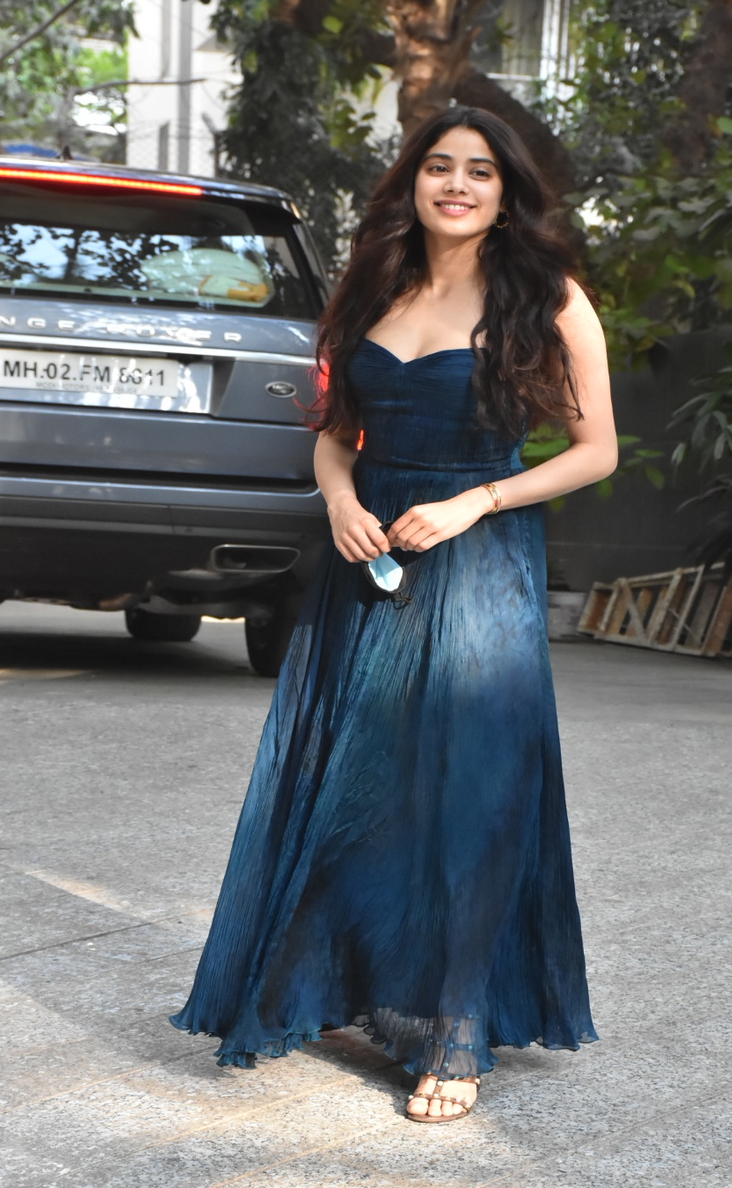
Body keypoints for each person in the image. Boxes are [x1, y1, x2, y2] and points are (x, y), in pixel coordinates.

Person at [171, 105, 618, 1124]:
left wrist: (477, 501)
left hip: (479, 563)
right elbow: (337, 433)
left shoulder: (547, 295)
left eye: (479, 171)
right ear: (410, 182)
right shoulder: (373, 283)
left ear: (505, 191)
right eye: (437, 166)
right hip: (365, 561)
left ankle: (455, 1030)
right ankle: (337, 984)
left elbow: (596, 451)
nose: (455, 184)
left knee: (467, 793)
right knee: (350, 778)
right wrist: (336, 499)